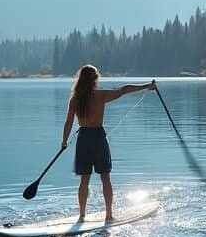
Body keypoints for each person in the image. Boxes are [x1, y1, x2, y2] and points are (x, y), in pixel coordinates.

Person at [61, 65, 155, 222]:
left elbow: (68, 123)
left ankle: (82, 216)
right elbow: (124, 90)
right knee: (105, 177)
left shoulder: (75, 99)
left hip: (83, 138)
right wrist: (147, 86)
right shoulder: (101, 95)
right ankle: (109, 215)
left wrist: (64, 141)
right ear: (95, 80)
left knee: (84, 179)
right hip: (98, 138)